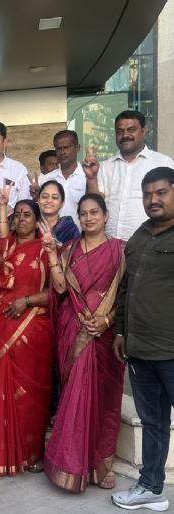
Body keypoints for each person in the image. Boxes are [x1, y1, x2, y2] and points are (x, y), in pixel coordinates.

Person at [43, 193, 125, 492]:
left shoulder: (120, 250)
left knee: (104, 400)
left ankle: (102, 464)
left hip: (105, 334)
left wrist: (107, 320)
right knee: (76, 395)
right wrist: (51, 253)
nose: (89, 218)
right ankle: (70, 463)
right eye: (84, 213)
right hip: (74, 327)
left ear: (105, 215)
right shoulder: (69, 249)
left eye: (94, 212)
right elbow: (60, 288)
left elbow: (125, 294)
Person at [111, 167, 174, 511]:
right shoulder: (140, 235)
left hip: (171, 350)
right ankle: (151, 487)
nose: (153, 200)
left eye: (161, 192)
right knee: (153, 422)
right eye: (148, 194)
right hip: (140, 350)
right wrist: (121, 331)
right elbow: (126, 288)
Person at [0, 200, 52, 475]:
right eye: (17, 214)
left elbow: (58, 291)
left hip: (32, 330)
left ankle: (29, 452)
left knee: (29, 395)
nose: (21, 219)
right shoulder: (0, 247)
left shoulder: (47, 249)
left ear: (37, 220)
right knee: (0, 388)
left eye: (27, 214)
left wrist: (26, 301)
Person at [84, 110, 174, 240]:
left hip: (150, 243)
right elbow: (94, 205)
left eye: (131, 130)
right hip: (109, 244)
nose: (125, 135)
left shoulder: (163, 162)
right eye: (120, 131)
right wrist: (91, 178)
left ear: (143, 132)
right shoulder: (105, 167)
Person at [38, 130, 86, 227]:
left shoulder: (88, 177)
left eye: (66, 147)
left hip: (79, 235)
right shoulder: (46, 180)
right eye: (59, 149)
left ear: (77, 148)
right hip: (50, 234)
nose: (62, 152)